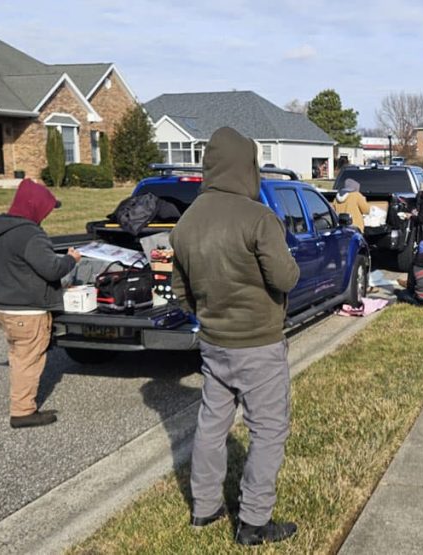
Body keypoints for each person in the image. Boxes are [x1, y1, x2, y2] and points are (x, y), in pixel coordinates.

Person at [170, 127, 300, 546]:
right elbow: (286, 277)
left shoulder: (186, 222)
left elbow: (179, 290)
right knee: (268, 430)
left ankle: (205, 509)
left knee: (211, 424)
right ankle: (254, 522)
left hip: (213, 341)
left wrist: (207, 317)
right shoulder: (258, 217)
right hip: (258, 343)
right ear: (247, 167)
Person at [0, 178, 81, 429]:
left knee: (19, 357)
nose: (45, 216)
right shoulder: (30, 234)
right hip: (28, 310)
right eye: (46, 209)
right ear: (34, 206)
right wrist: (71, 259)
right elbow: (51, 269)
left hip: (3, 307)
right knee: (29, 359)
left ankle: (20, 402)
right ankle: (23, 411)